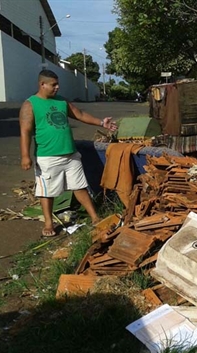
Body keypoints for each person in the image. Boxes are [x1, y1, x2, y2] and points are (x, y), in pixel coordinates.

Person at [19, 69, 117, 237]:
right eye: (53, 85)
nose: (57, 87)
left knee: (80, 187)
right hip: (48, 156)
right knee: (47, 192)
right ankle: (49, 223)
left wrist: (102, 123)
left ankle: (95, 217)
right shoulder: (30, 104)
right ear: (42, 84)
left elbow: (79, 114)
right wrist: (25, 156)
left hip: (71, 154)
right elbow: (25, 132)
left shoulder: (62, 101)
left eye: (58, 84)